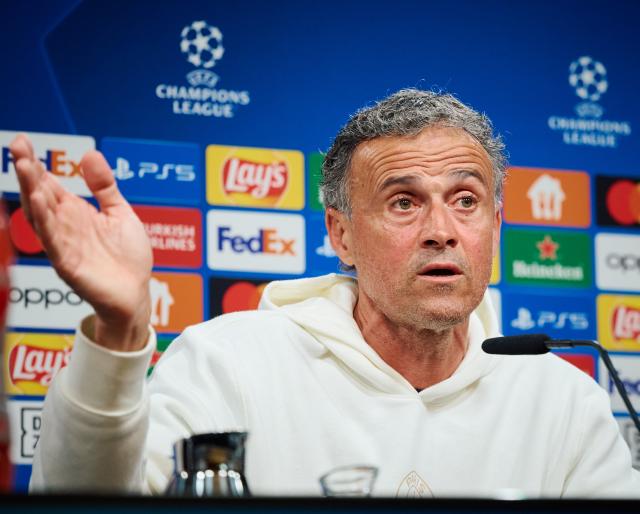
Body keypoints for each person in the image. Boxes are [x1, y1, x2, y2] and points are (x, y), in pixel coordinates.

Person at [10, 89, 640, 497]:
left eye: (466, 201)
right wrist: (119, 332)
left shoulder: (563, 400)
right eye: (403, 202)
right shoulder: (226, 363)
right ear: (341, 235)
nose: (442, 232)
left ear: (496, 227)